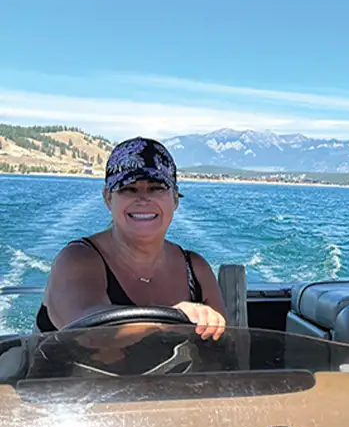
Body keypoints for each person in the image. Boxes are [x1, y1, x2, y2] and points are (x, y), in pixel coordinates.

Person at [36, 137, 227, 341]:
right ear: (108, 198)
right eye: (129, 189)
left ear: (175, 199)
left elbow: (224, 348)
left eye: (156, 187)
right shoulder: (77, 259)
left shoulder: (196, 270)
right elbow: (87, 332)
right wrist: (173, 318)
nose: (143, 199)